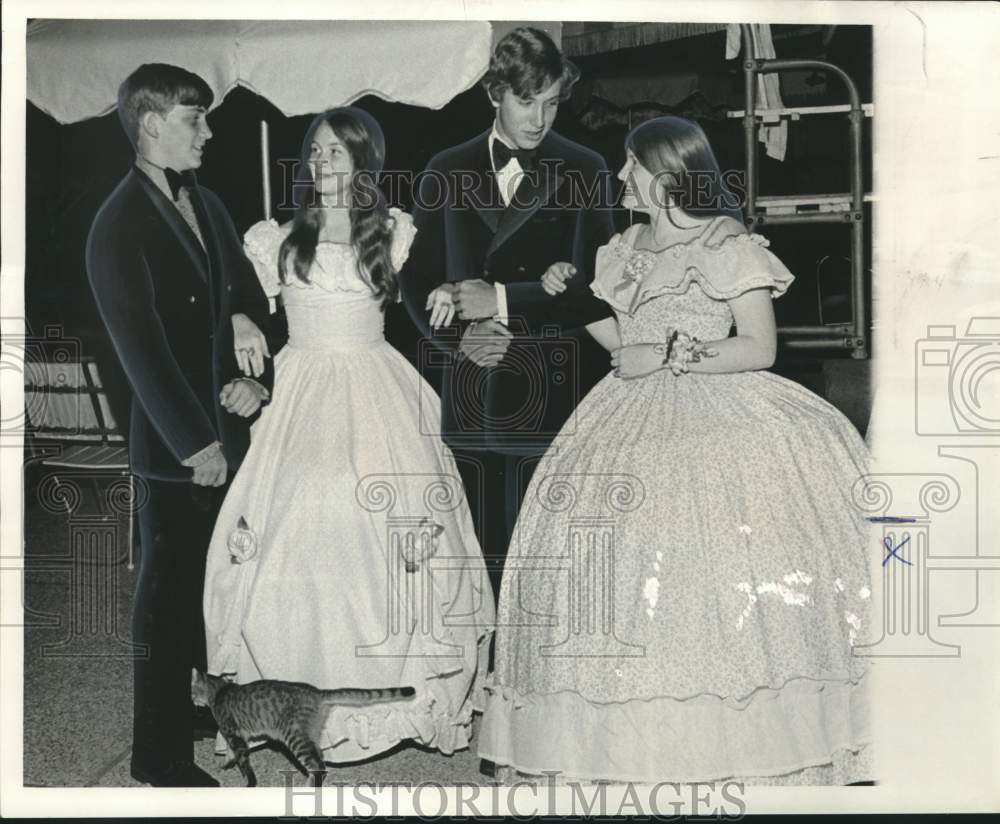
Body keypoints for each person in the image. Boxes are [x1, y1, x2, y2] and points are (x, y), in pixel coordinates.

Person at [478, 116, 874, 785]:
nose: (620, 176)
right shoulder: (623, 245)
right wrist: (571, 297)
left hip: (717, 405)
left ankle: (747, 742)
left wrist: (667, 356)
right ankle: (622, 745)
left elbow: (759, 347)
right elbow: (618, 345)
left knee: (714, 566)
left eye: (630, 165)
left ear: (664, 174)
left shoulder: (729, 243)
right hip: (624, 415)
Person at [202, 107, 495, 768]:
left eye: (338, 152)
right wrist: (243, 316)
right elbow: (228, 300)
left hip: (375, 387)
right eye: (316, 151)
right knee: (292, 522)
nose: (323, 162)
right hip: (301, 385)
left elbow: (425, 317)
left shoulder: (393, 233)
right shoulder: (275, 238)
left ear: (364, 163)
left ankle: (394, 696)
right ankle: (281, 692)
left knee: (383, 520)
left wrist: (467, 332)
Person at [86, 63, 274, 787]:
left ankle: (194, 708)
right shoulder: (117, 223)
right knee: (163, 605)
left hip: (228, 432)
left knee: (205, 590)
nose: (209, 131)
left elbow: (248, 296)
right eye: (195, 119)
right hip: (176, 451)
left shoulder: (208, 203)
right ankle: (157, 758)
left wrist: (252, 364)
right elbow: (141, 351)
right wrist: (195, 443)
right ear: (151, 124)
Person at [399, 26, 618, 600]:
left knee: (547, 555)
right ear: (495, 92)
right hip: (471, 385)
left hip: (551, 382)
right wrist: (456, 344)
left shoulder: (585, 167)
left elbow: (597, 290)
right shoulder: (445, 167)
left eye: (550, 104)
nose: (540, 119)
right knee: (477, 552)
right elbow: (413, 279)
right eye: (527, 100)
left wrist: (503, 303)